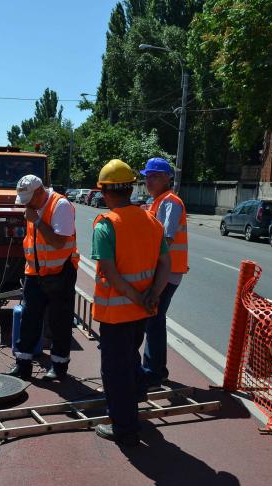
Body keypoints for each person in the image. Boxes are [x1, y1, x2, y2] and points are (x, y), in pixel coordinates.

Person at [91, 159, 171, 446]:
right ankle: (136, 397)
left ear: (105, 191)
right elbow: (165, 264)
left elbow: (110, 274)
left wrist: (139, 297)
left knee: (115, 371)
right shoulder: (152, 220)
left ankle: (124, 427)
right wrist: (153, 296)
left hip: (116, 314)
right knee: (131, 358)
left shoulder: (106, 225)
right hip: (142, 312)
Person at [5, 175, 79, 381]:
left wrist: (36, 220)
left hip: (59, 272)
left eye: (29, 199)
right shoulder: (33, 208)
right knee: (29, 318)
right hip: (35, 271)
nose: (26, 204)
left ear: (40, 192)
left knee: (59, 321)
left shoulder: (60, 205)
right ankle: (23, 363)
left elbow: (57, 242)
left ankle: (59, 365)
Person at [139, 157, 189, 388]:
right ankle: (155, 369)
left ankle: (154, 372)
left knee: (154, 319)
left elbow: (165, 239)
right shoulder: (157, 201)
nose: (148, 180)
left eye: (153, 176)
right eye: (147, 176)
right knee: (154, 319)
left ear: (166, 178)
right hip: (163, 270)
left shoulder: (170, 202)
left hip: (167, 272)